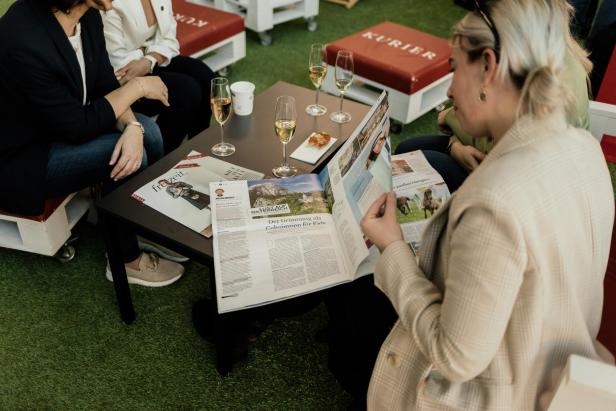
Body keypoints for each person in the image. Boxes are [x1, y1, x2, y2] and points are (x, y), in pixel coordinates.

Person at [332, 0, 615, 409]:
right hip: (553, 369)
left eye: (453, 68)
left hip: (502, 393)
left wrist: (392, 248)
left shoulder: (494, 200)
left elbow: (455, 357)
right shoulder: (585, 149)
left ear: (488, 66)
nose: (448, 89)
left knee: (352, 329)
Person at [0, 0, 184, 286]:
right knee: (119, 152)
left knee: (150, 132)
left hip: (61, 127)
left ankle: (138, 223)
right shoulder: (23, 37)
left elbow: (103, 87)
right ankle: (125, 260)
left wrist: (133, 127)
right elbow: (76, 127)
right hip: (23, 157)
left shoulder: (89, 16)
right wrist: (138, 87)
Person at [396, 0, 593, 193]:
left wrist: (450, 121)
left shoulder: (542, 80)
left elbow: (496, 146)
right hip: (491, 161)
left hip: (502, 176)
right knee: (408, 149)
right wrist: (455, 146)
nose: (449, 92)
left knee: (410, 161)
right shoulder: (537, 54)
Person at [102, 0, 215, 154]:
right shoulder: (109, 4)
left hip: (148, 61)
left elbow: (170, 40)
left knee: (206, 76)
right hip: (118, 79)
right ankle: (160, 160)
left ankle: (200, 150)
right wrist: (149, 52)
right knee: (185, 91)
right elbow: (118, 64)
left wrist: (148, 58)